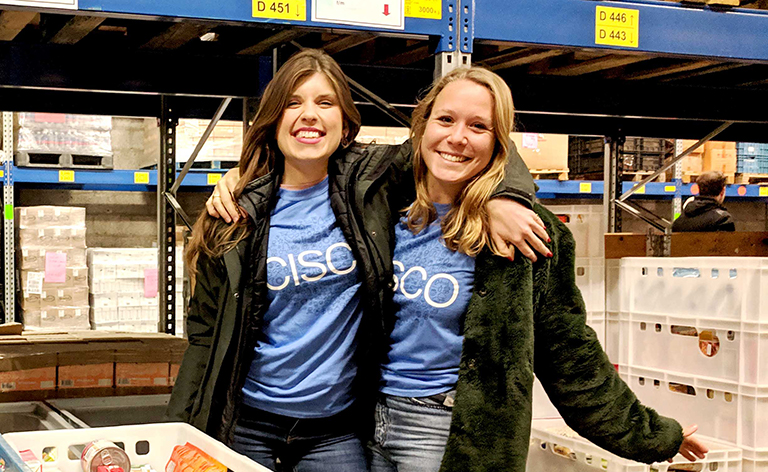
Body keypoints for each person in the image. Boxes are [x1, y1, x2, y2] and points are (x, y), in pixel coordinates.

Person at [207, 61, 709, 472]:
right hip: (366, 425)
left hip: (451, 435)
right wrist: (238, 180)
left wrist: (651, 434)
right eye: (445, 121)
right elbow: (306, 160)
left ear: (498, 142)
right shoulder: (382, 204)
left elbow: (569, 353)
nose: (457, 138)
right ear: (421, 127)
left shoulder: (522, 235)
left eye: (479, 126)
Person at [167, 49, 549, 472]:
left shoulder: (373, 186)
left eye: (324, 102)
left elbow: (465, 142)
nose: (308, 114)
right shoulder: (236, 216)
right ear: (273, 120)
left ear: (346, 124)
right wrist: (179, 432)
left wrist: (507, 196)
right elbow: (203, 338)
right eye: (293, 103)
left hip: (336, 430)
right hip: (248, 424)